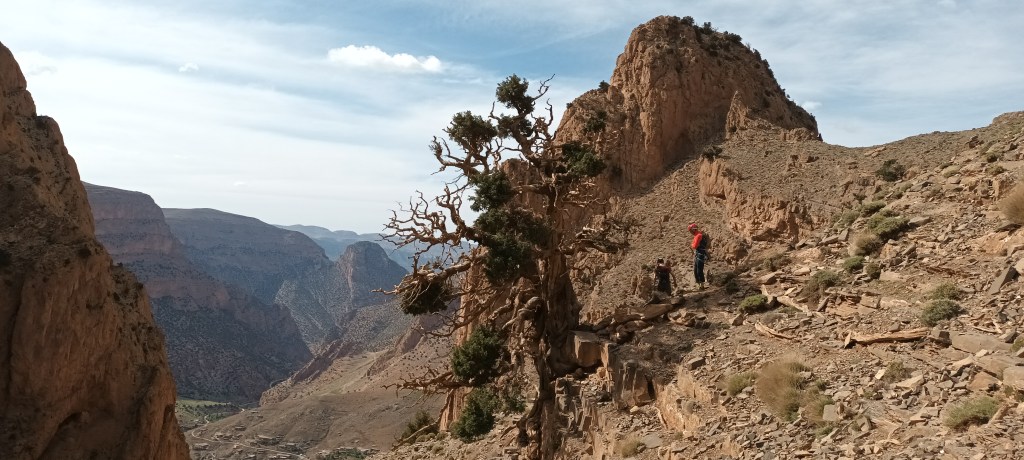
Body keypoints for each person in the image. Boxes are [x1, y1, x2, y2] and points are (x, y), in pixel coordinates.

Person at [689, 223, 709, 289]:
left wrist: (692, 245)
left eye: (691, 231)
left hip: (700, 253)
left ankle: (702, 285)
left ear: (693, 230)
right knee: (696, 269)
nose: (690, 232)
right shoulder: (697, 235)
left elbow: (694, 246)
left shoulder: (698, 235)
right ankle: (699, 284)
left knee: (699, 269)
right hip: (698, 253)